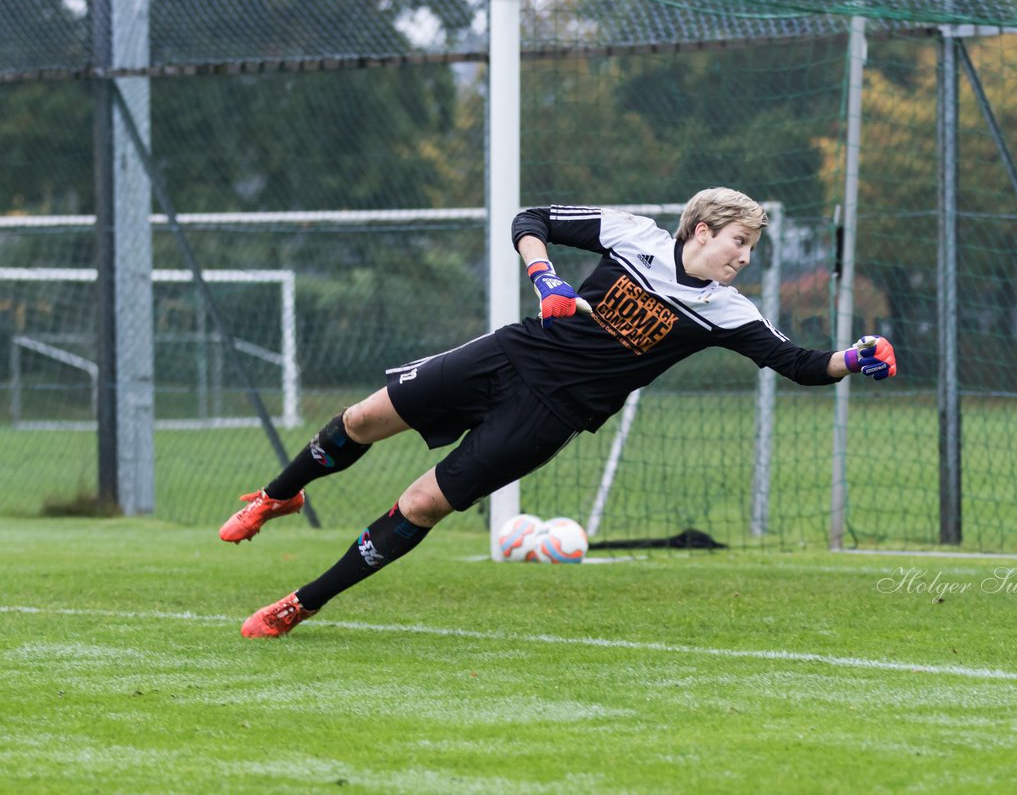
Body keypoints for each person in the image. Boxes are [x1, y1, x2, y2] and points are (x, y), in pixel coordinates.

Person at [222, 187, 897, 638]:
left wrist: (855, 356)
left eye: (751, 250)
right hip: (511, 355)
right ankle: (277, 496)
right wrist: (546, 277)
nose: (746, 260)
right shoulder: (634, 236)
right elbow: (532, 220)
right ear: (702, 229)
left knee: (423, 503)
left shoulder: (728, 312)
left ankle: (301, 603)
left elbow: (803, 366)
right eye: (739, 245)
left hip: (551, 414)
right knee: (363, 418)